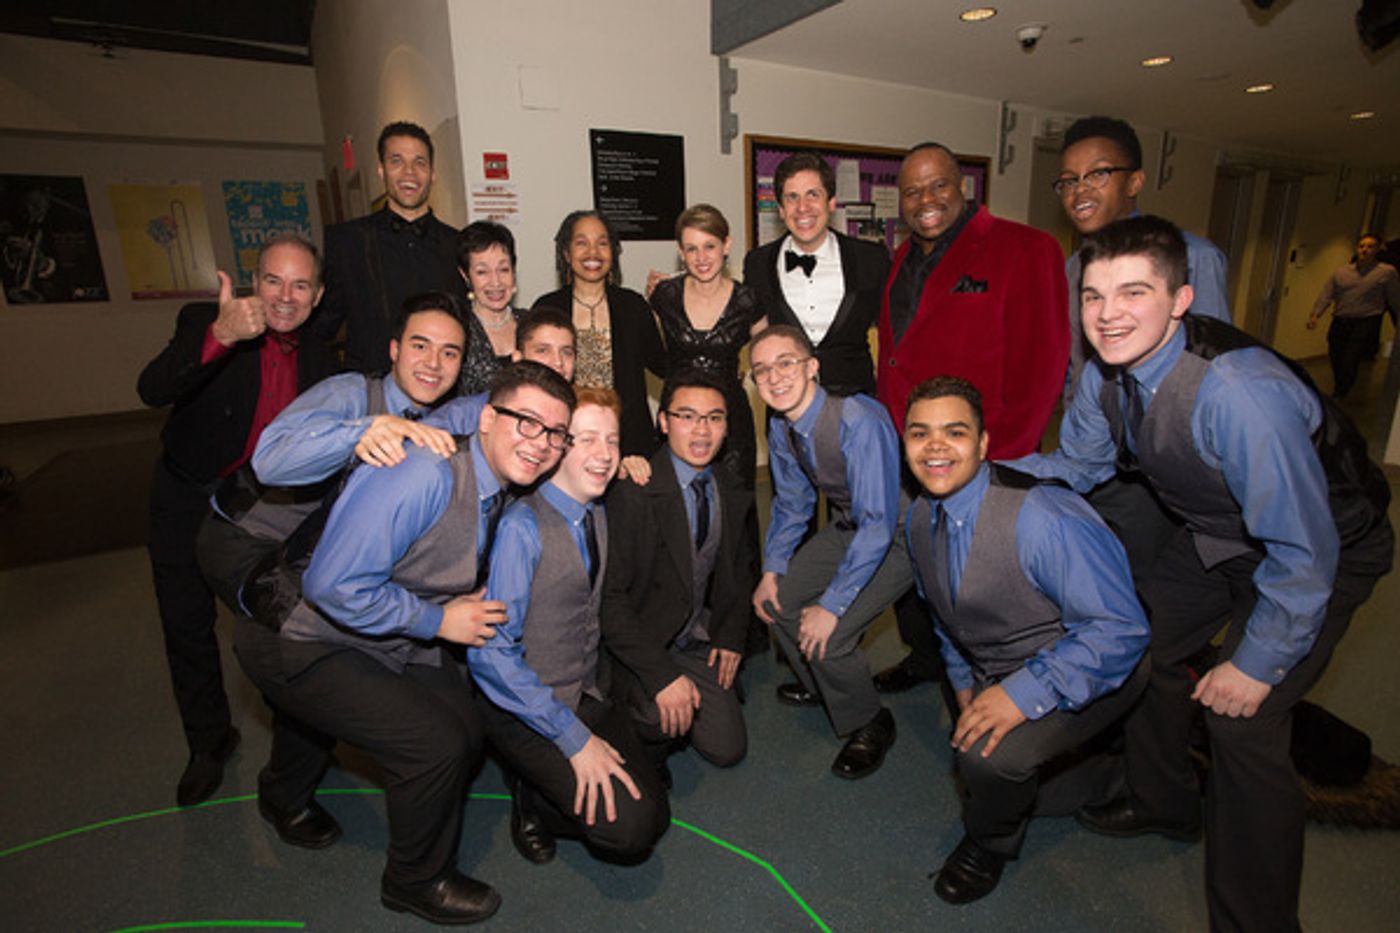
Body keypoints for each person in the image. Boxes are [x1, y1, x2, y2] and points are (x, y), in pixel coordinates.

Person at [1014, 215, 1392, 933]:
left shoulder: (1238, 394)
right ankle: (1166, 801)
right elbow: (1082, 467)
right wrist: (985, 468)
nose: (1108, 314)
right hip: (1219, 535)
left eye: (1133, 292)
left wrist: (1256, 662)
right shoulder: (1102, 377)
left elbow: (1302, 552)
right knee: (1139, 643)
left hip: (1325, 551)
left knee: (1242, 726)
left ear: (1182, 299)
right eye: (1093, 296)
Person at [232, 361, 575, 926]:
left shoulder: (493, 476)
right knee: (435, 741)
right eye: (527, 423)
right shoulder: (426, 473)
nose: (541, 444)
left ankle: (282, 789)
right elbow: (331, 586)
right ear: (489, 419)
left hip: (364, 628)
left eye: (556, 434)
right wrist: (439, 620)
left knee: (464, 720)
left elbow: (435, 544)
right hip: (293, 634)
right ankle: (414, 881)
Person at [900, 376, 1149, 904]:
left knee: (988, 759)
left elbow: (1120, 630)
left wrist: (1021, 693)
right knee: (1034, 785)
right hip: (1002, 657)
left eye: (955, 432)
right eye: (920, 434)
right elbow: (944, 619)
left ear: (985, 443)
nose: (936, 446)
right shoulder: (920, 517)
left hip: (1094, 661)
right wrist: (965, 682)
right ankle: (1105, 772)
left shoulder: (1042, 517)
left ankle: (990, 842)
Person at [137, 233, 334, 807]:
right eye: (274, 280)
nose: (285, 296)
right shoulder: (205, 321)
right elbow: (150, 389)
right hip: (187, 493)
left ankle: (299, 758)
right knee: (186, 624)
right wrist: (221, 337)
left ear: (318, 296)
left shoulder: (323, 357)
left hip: (261, 512)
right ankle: (207, 744)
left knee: (282, 626)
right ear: (254, 283)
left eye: (301, 285)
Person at [873, 141, 1068, 696]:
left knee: (983, 581)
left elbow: (1042, 363)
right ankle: (926, 660)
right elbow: (897, 353)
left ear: (963, 188)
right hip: (912, 450)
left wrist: (1001, 458)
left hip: (983, 456)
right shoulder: (901, 260)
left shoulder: (1026, 249)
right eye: (911, 191)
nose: (925, 200)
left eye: (937, 185)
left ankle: (1003, 686)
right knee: (921, 561)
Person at [470, 387, 671, 865]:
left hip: (586, 689)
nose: (603, 455)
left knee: (657, 812)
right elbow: (489, 655)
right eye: (585, 440)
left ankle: (555, 777)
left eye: (612, 440)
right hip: (524, 705)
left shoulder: (596, 511)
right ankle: (532, 796)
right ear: (557, 446)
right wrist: (572, 738)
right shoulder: (523, 528)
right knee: (630, 832)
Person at [196, 292, 466, 624]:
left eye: (449, 353)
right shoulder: (349, 393)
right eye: (420, 346)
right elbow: (269, 461)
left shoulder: (440, 421)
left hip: (316, 551)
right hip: (247, 540)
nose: (434, 363)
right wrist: (364, 431)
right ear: (394, 350)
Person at [751, 325, 911, 780]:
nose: (775, 378)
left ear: (812, 367)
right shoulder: (782, 427)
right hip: (849, 526)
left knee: (830, 633)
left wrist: (832, 605)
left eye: (786, 363)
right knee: (777, 603)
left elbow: (879, 522)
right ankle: (827, 686)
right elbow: (792, 504)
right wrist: (772, 569)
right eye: (762, 370)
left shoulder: (858, 417)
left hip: (898, 534)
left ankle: (870, 721)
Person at [602, 368, 752, 777]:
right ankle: (642, 731)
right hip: (643, 642)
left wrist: (731, 635)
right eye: (687, 416)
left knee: (728, 749)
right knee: (654, 720)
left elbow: (740, 568)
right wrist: (660, 675)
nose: (701, 431)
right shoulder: (632, 492)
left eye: (714, 418)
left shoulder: (730, 485)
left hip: (693, 638)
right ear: (664, 422)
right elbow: (610, 603)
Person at [1056, 115, 1232, 399]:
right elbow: (1072, 357)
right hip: (1091, 429)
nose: (1080, 190)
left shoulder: (1194, 257)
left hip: (1165, 430)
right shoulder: (1074, 267)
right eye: (1068, 181)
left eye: (1098, 174)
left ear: (1134, 182)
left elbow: (1215, 366)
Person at [317, 121, 468, 373]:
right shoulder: (347, 241)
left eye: (419, 162)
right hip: (371, 392)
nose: (409, 172)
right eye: (396, 161)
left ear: (432, 173)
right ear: (381, 170)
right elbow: (322, 328)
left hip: (443, 392)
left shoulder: (458, 244)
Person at [741, 152, 890, 397]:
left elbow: (896, 332)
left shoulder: (871, 259)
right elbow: (748, 328)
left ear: (831, 202)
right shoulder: (758, 263)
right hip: (786, 412)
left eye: (813, 194)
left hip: (857, 411)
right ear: (780, 209)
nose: (802, 208)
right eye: (792, 197)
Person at [531, 210, 666, 464]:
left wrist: (668, 312)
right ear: (566, 253)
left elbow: (663, 365)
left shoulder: (633, 305)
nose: (593, 252)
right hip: (565, 438)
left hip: (628, 442)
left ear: (613, 253)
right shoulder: (548, 308)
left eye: (602, 243)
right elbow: (535, 377)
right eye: (582, 243)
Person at [650, 204, 765, 488]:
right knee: (674, 503)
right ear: (681, 252)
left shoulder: (748, 300)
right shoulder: (664, 296)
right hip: (679, 420)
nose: (701, 258)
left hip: (730, 422)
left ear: (727, 245)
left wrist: (746, 371)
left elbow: (766, 360)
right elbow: (652, 353)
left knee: (734, 504)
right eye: (691, 249)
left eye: (709, 246)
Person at [423, 306, 577, 435]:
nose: (558, 362)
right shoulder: (468, 414)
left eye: (566, 352)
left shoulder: (582, 416)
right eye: (543, 350)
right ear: (518, 359)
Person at [1306, 232, 1400, 400]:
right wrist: (1315, 315)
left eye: (1370, 247)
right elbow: (1327, 294)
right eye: (1362, 246)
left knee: (1351, 356)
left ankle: (1341, 391)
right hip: (1342, 319)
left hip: (1365, 321)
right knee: (1336, 354)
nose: (1365, 250)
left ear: (1377, 249)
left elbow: (1394, 297)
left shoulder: (1386, 272)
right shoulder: (1342, 272)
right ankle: (1340, 384)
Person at [456, 220, 527, 394]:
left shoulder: (530, 323)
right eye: (482, 272)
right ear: (465, 276)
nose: (495, 282)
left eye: (503, 269)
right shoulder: (457, 328)